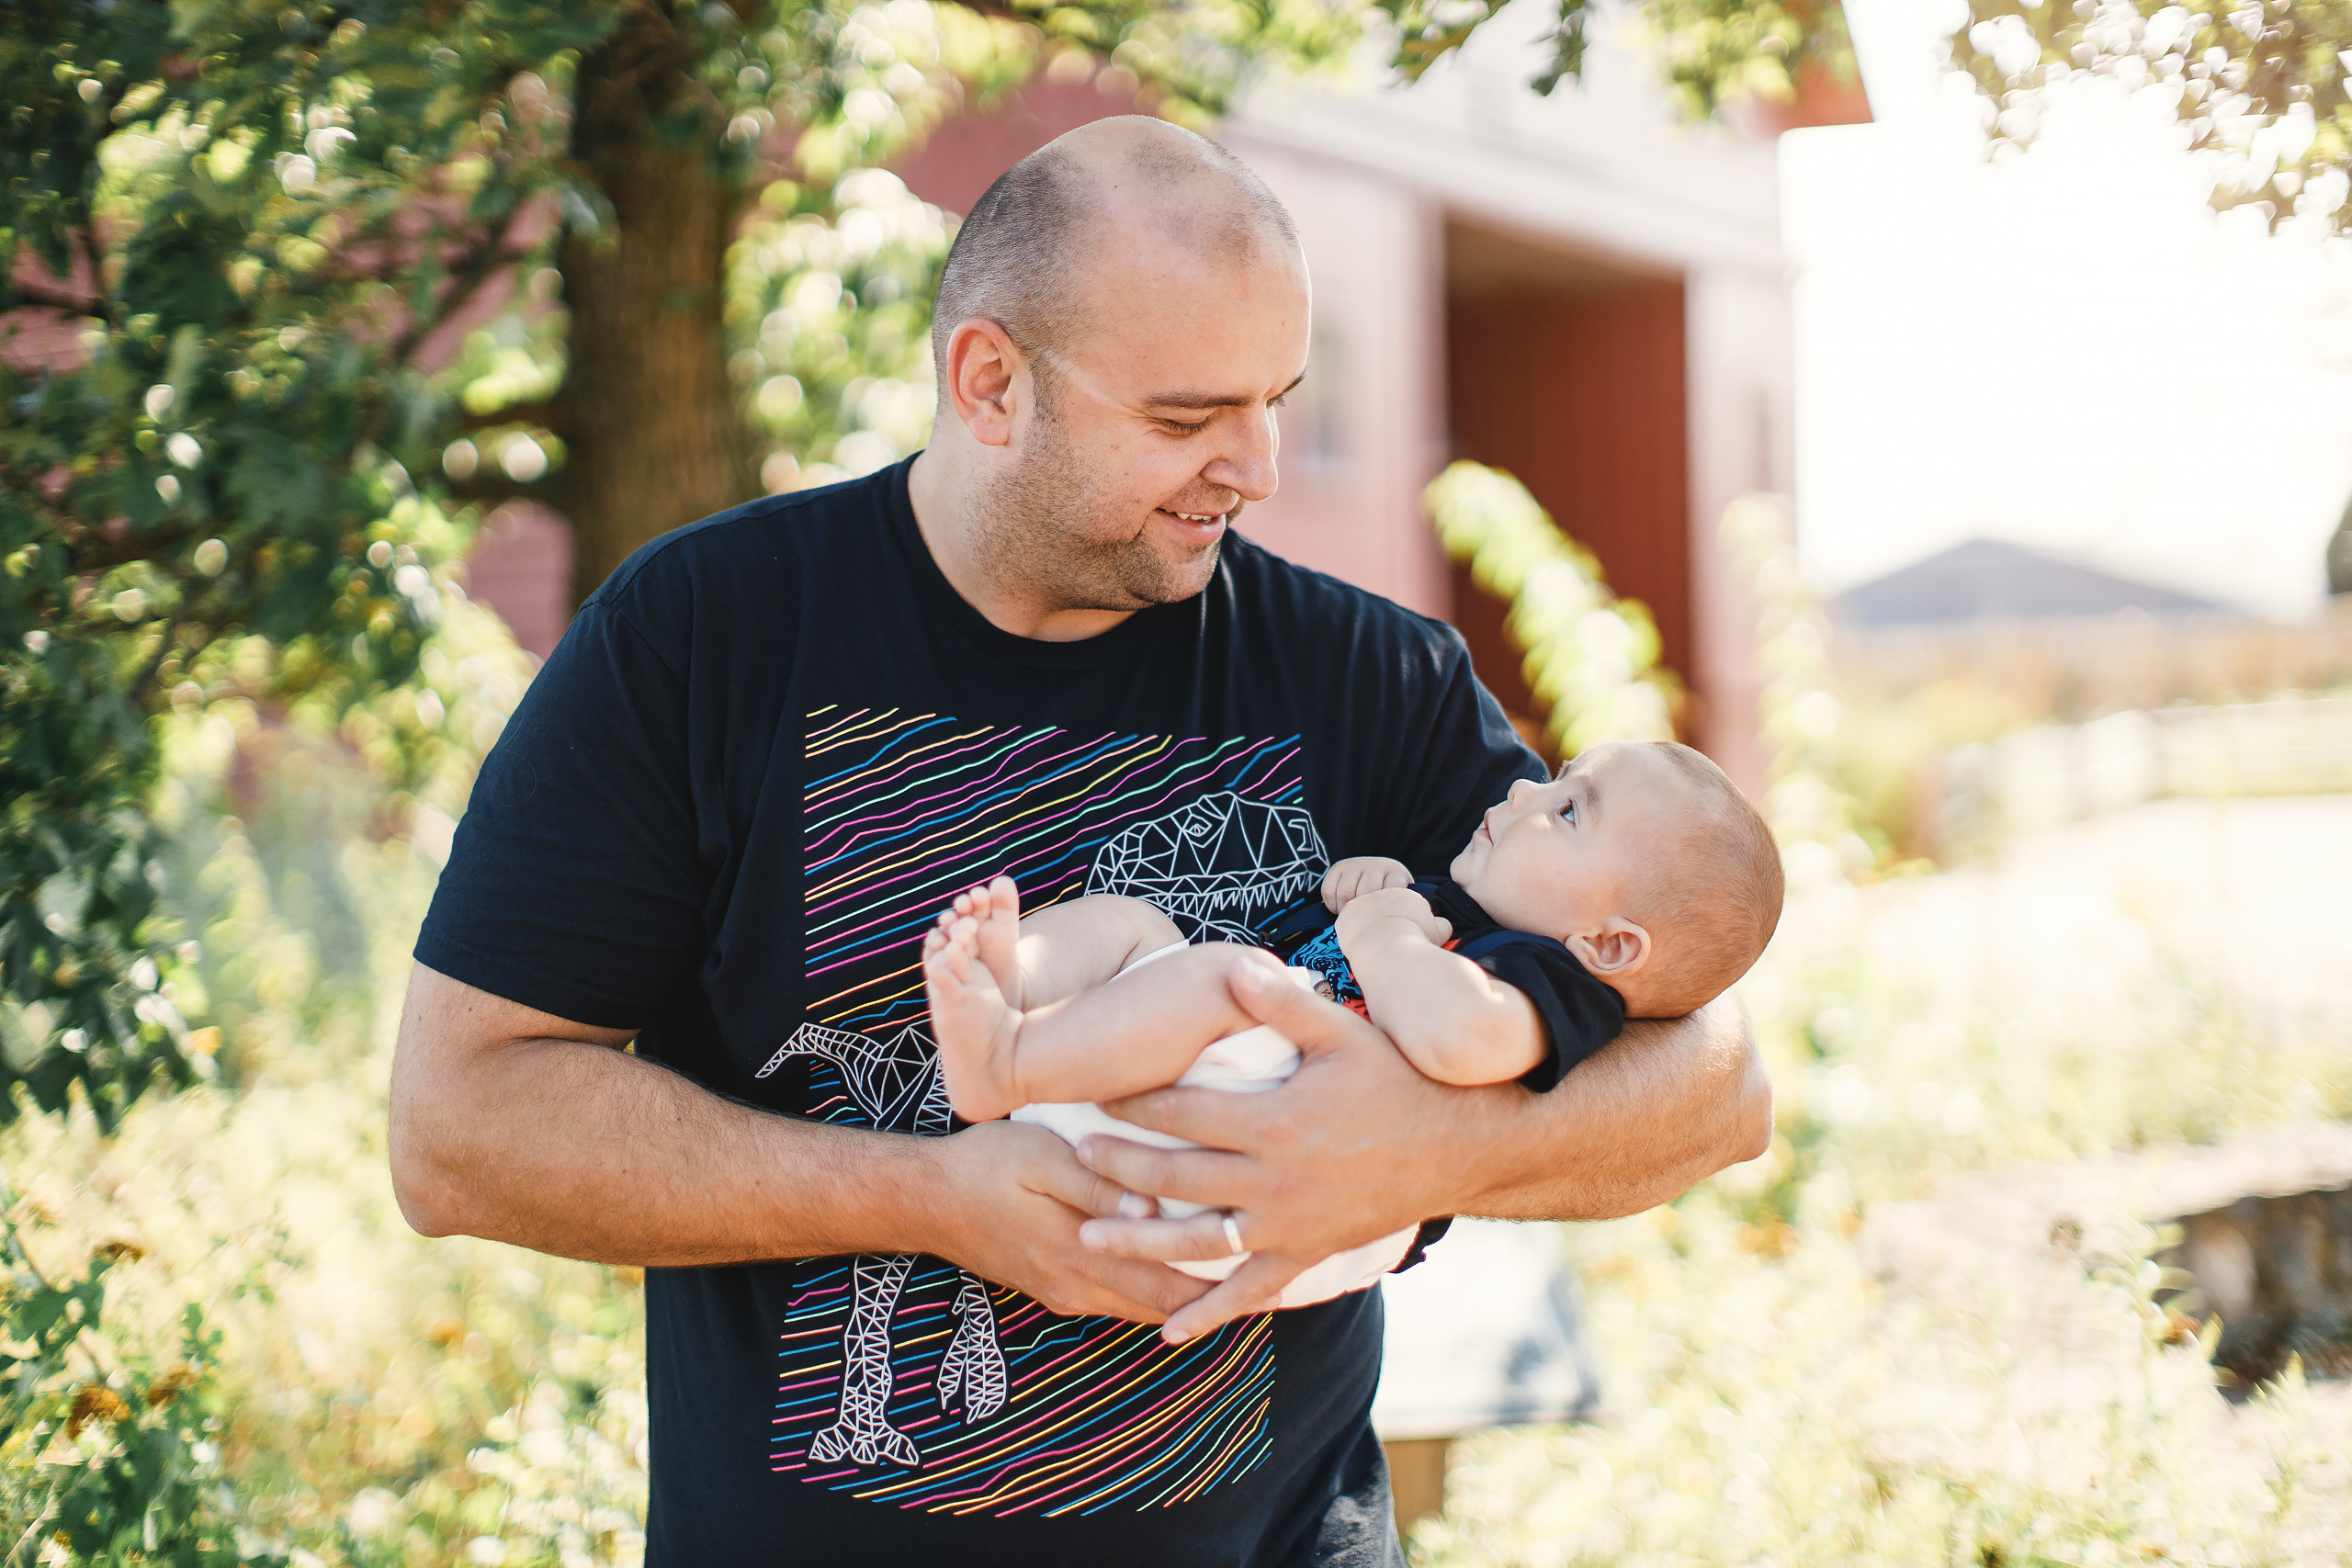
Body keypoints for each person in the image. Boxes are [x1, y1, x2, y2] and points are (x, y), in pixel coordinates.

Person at [389, 115, 1771, 1566]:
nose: (1255, 467)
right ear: (990, 382)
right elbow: (458, 1127)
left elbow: (1717, 1082)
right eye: (1187, 419)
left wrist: (1420, 1146)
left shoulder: (1373, 679)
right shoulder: (700, 637)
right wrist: (932, 1196)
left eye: (1276, 401)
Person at [919, 739, 1782, 1310]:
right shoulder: (1460, 904)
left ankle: (1009, 1060)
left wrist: (1381, 932)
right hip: (1228, 1108)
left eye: (1567, 811)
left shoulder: (1552, 981)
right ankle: (1015, 987)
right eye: (1555, 777)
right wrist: (1373, 889)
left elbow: (1457, 1039)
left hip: (1290, 1198)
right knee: (1136, 923)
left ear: (1609, 944)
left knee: (1229, 975)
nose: (1525, 788)